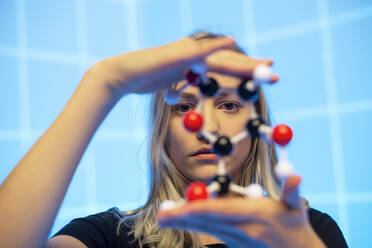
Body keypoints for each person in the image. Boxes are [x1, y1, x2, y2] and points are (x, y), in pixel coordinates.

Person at [0, 32, 348, 248]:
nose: (207, 126)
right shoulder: (109, 236)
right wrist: (105, 81)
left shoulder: (310, 232)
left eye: (229, 104)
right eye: (184, 107)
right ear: (162, 130)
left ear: (257, 125)